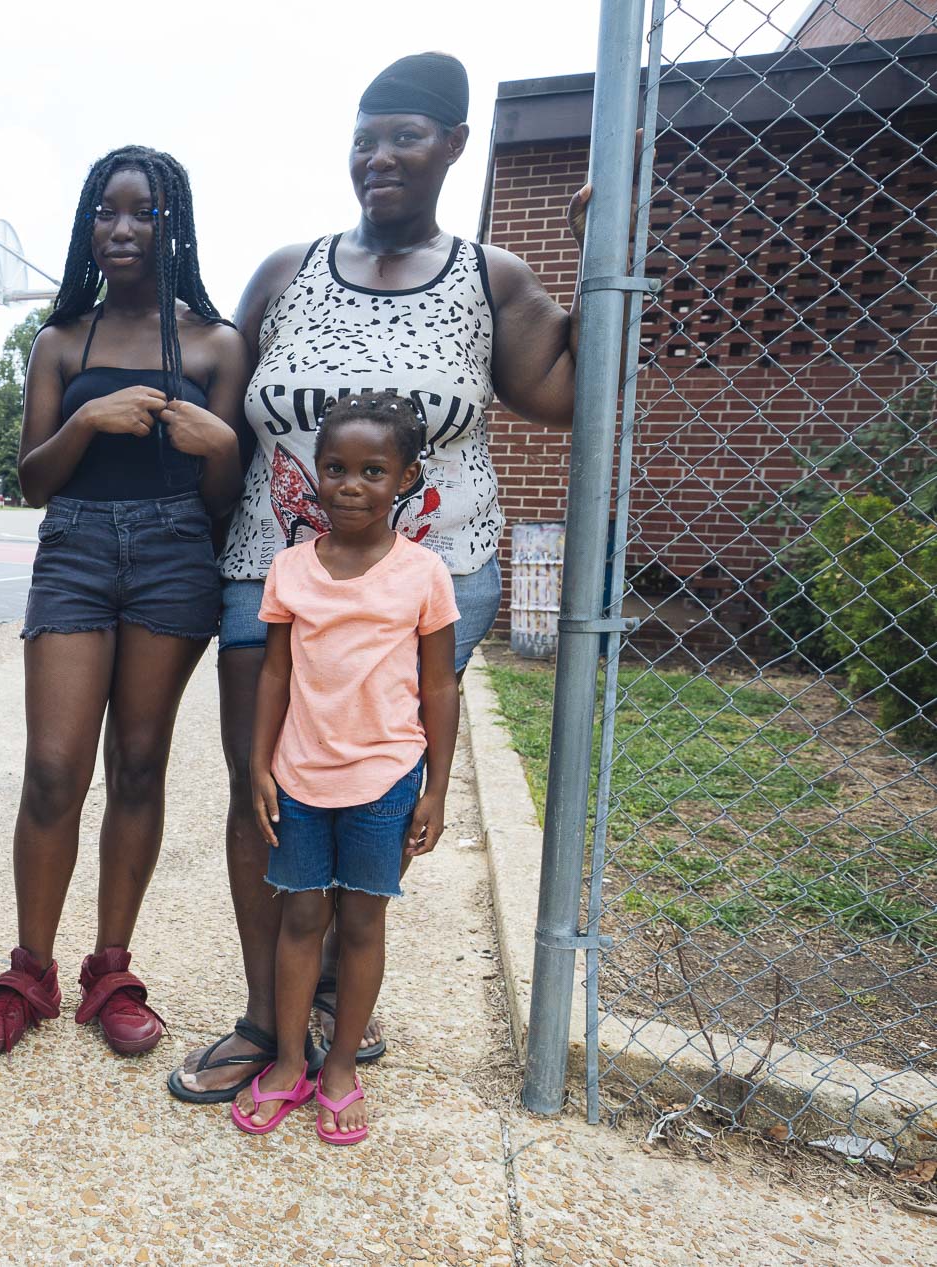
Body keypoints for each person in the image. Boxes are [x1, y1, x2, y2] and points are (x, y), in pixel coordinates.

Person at [174, 50, 588, 1104]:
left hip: (429, 581)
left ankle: (330, 1008)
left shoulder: (488, 277)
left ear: (453, 146)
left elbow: (566, 393)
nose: (379, 157)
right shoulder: (284, 269)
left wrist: (602, 258)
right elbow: (220, 400)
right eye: (363, 138)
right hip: (268, 572)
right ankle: (268, 1019)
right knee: (262, 789)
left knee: (363, 786)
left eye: (404, 135)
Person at [0, 146, 247, 1059]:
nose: (123, 229)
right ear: (88, 226)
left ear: (176, 225)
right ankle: (28, 972)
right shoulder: (60, 340)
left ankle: (110, 971)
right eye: (106, 212)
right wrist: (85, 419)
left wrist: (218, 446)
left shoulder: (214, 343)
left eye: (145, 212)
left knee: (137, 763)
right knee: (52, 768)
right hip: (77, 545)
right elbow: (36, 478)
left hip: (174, 555)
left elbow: (225, 499)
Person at [228, 390, 458, 1143]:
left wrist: (435, 789)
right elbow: (272, 676)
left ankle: (340, 1072)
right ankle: (290, 1063)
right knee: (299, 916)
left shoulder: (422, 573)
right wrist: (258, 766)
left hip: (385, 779)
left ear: (405, 477)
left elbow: (436, 685)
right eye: (334, 468)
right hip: (299, 775)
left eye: (371, 470)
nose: (350, 484)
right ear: (312, 474)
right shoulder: (290, 569)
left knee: (361, 921)